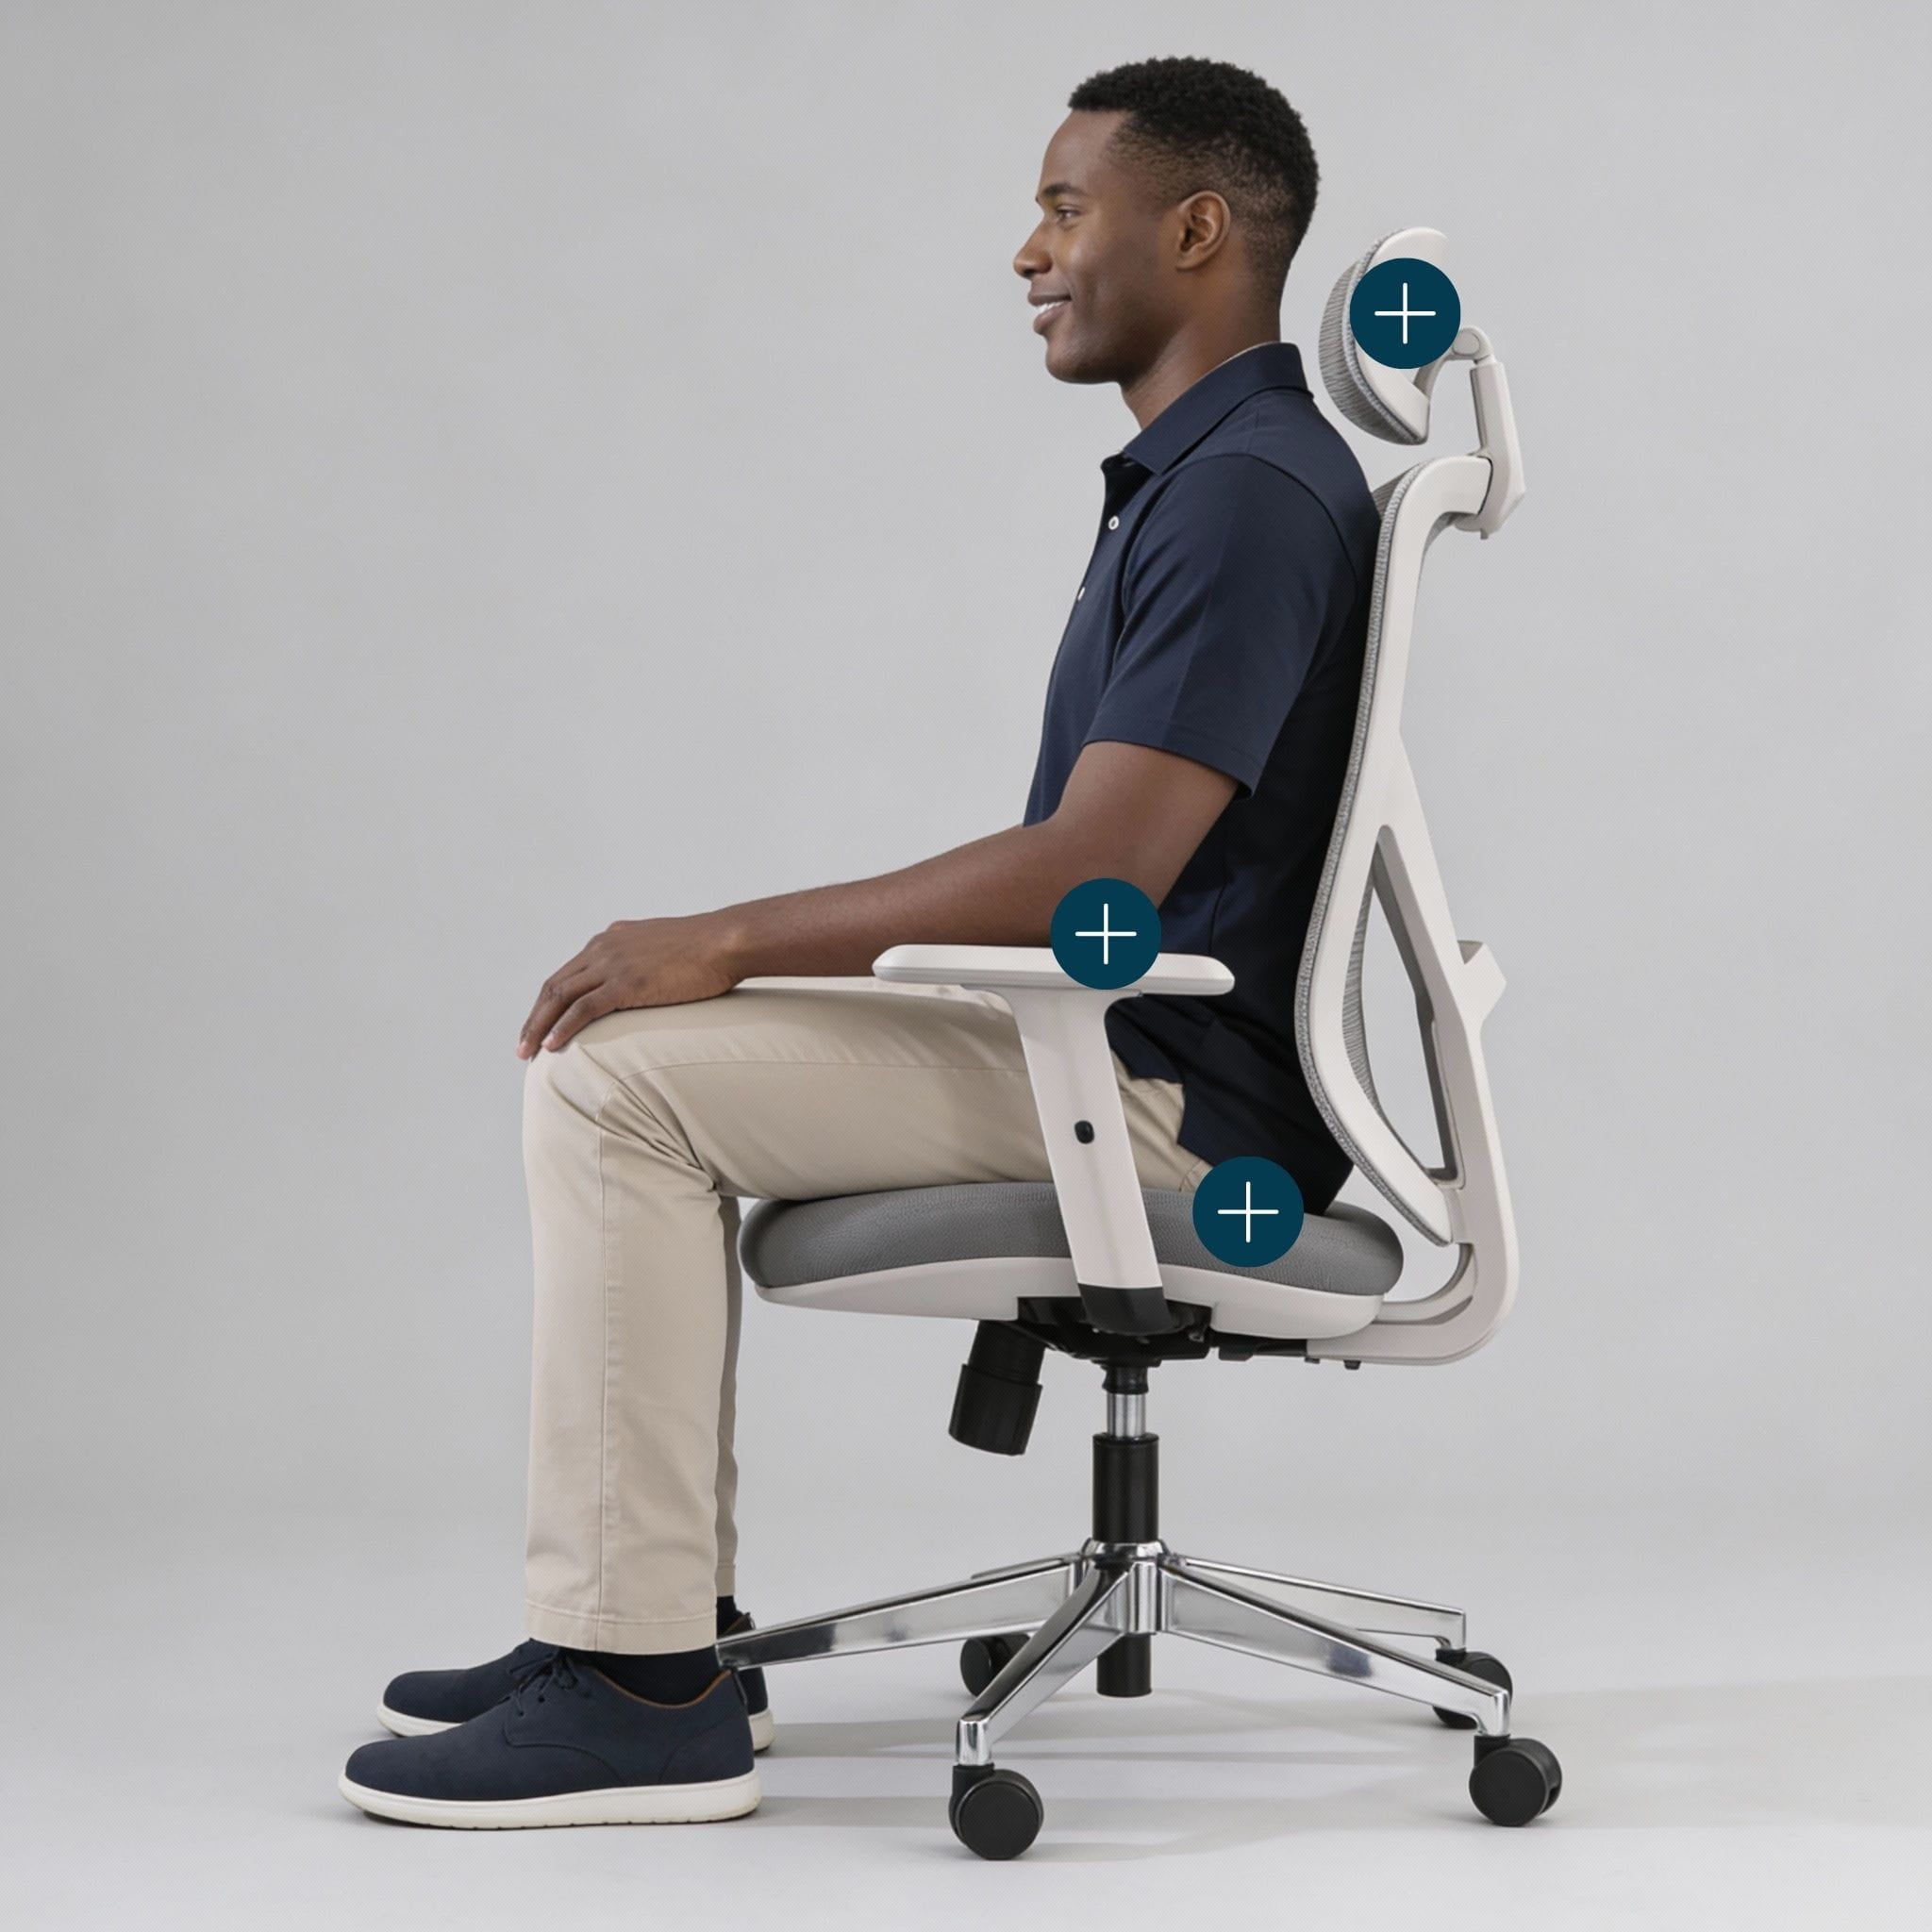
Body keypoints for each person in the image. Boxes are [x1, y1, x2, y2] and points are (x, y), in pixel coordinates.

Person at [339, 53, 1378, 1830]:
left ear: (1196, 229)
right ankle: (635, 1633)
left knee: (617, 1091)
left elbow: (1087, 880)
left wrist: (737, 936)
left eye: (1066, 206)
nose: (1027, 249)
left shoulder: (1249, 494)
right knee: (625, 1062)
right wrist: (756, 952)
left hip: (1167, 1096)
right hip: (1143, 1052)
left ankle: (640, 1682)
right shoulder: (1214, 473)